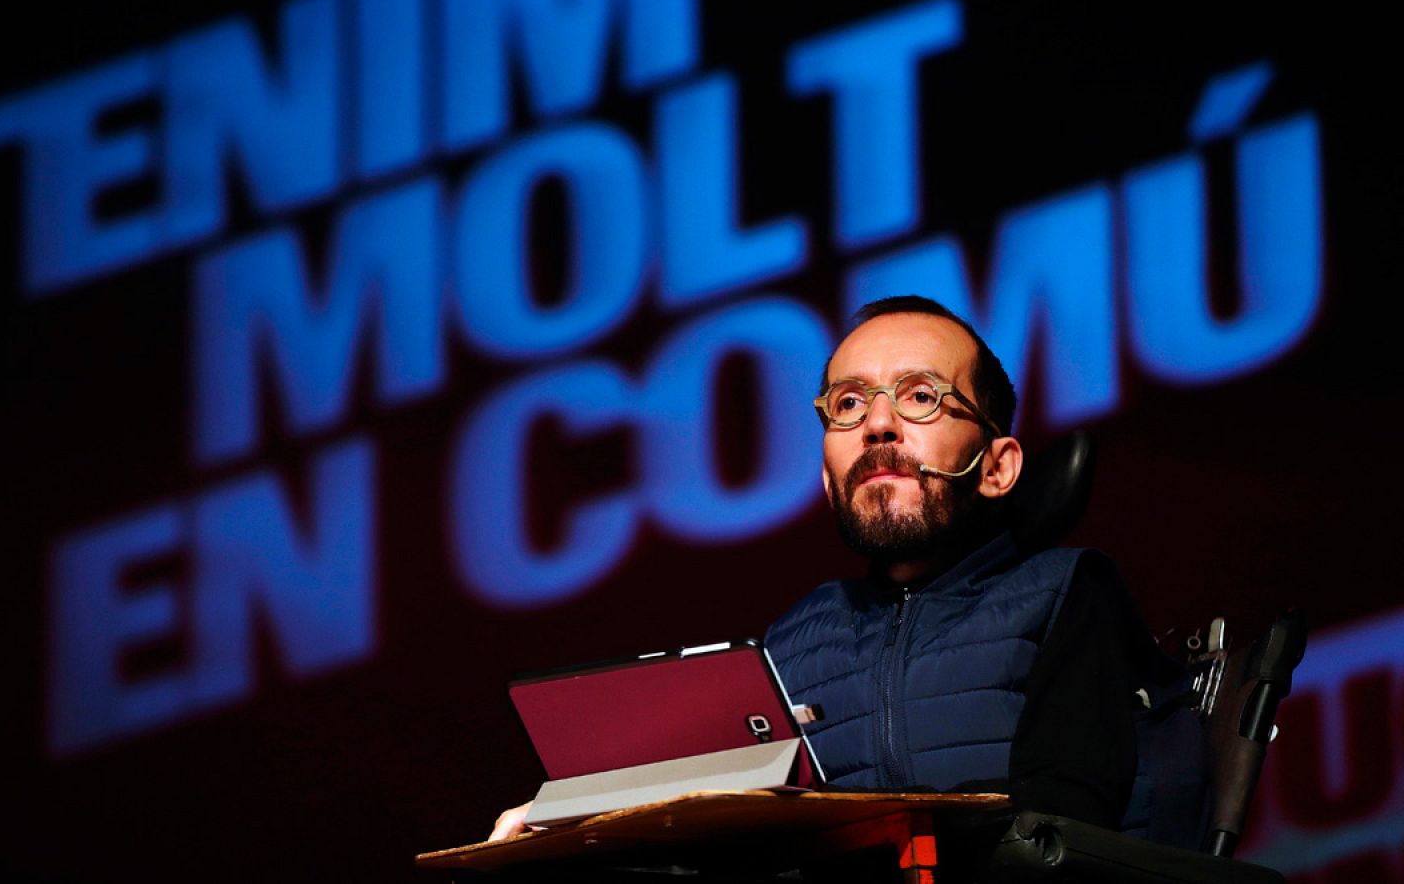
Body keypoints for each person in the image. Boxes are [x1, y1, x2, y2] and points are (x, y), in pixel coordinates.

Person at [491, 295, 1195, 844]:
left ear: (1000, 467)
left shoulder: (1066, 592)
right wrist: (566, 817)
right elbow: (705, 809)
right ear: (830, 482)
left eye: (921, 396)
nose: (878, 426)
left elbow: (1066, 834)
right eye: (849, 404)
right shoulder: (795, 641)